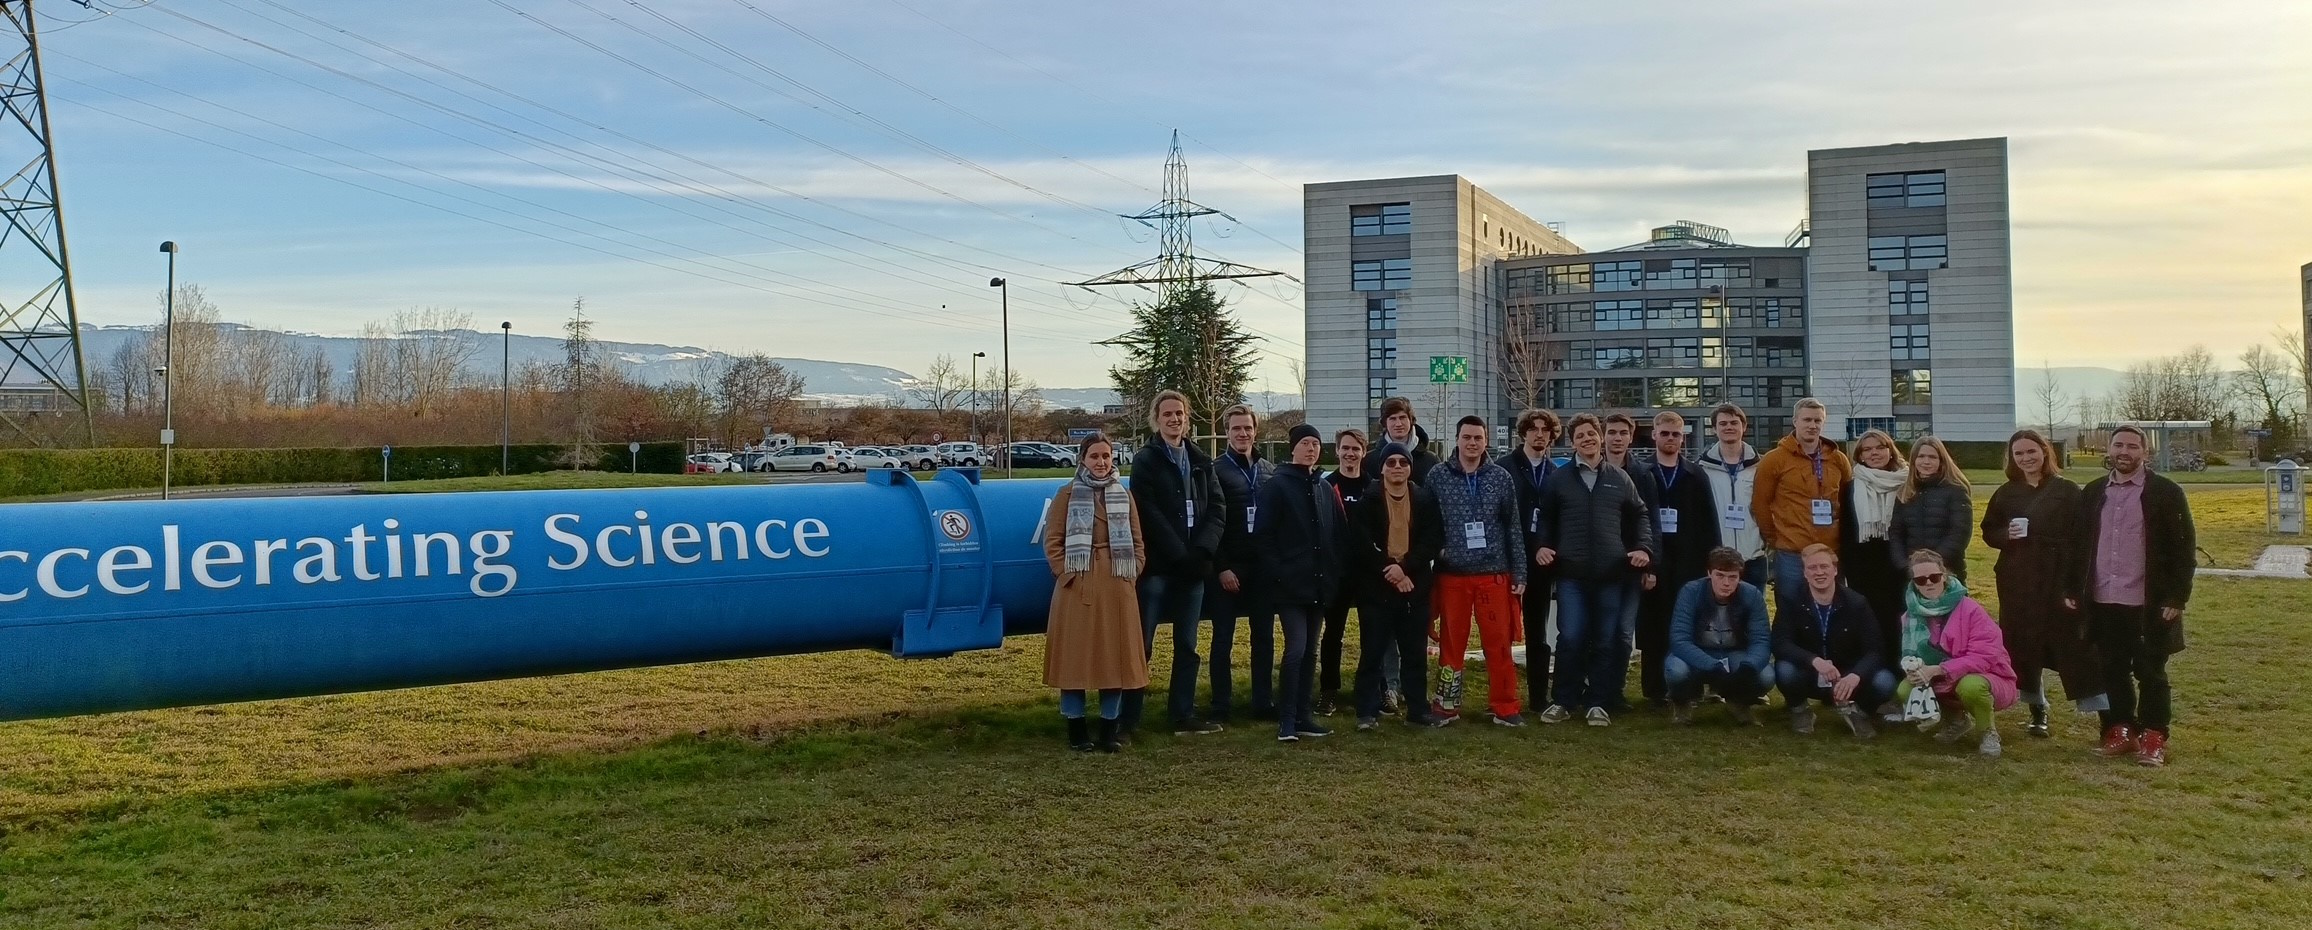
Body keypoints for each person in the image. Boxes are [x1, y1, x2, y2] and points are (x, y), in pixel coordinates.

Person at [2063, 425, 2196, 768]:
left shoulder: (2165, 493)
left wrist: (2176, 598)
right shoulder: (2093, 492)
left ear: (2144, 453)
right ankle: (2120, 730)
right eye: (2118, 445)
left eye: (2132, 446)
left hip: (2148, 602)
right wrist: (2071, 589)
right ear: (2108, 449)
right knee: (2110, 669)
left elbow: (2183, 550)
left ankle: (2153, 736)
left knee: (2151, 671)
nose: (2124, 451)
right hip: (2103, 599)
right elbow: (2077, 546)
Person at [1981, 429, 2105, 739]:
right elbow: (1989, 531)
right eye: (2019, 454)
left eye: (2031, 452)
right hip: (2018, 581)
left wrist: (2074, 586)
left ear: (2045, 452)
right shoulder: (2006, 493)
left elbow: (2083, 540)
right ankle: (2038, 709)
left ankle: (2107, 716)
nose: (2026, 458)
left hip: (2057, 577)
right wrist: (2005, 536)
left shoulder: (2066, 491)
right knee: (2023, 646)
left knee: (2075, 646)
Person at [1532, 413, 1654, 727]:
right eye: (1580, 436)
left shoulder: (1619, 477)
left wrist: (1643, 549)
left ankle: (1598, 702)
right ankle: (1563, 700)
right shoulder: (1558, 478)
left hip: (1611, 573)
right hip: (1571, 574)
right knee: (1570, 638)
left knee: (1605, 639)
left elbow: (1640, 514)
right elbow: (1544, 518)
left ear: (1599, 437)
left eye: (1591, 434)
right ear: (1571, 442)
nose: (1587, 439)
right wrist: (1541, 546)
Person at [1122, 390, 1227, 737]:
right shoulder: (1146, 460)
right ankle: (1127, 719)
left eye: (1179, 413)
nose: (1174, 419)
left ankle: (1182, 714)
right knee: (1143, 644)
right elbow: (1147, 511)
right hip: (1158, 569)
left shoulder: (1200, 459)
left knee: (1188, 644)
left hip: (1193, 569)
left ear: (1187, 418)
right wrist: (1178, 553)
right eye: (1167, 414)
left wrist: (1202, 551)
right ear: (1157, 418)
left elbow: (1217, 509)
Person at [1040, 434, 1149, 752]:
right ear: (1082, 460)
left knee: (1114, 660)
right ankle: (1076, 730)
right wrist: (1067, 574)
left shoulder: (1123, 495)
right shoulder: (1068, 494)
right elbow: (1053, 541)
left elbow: (1138, 539)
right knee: (1075, 661)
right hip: (1079, 587)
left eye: (1106, 456)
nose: (1101, 462)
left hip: (1117, 585)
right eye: (1095, 456)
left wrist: (1133, 571)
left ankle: (1108, 730)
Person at [1425, 415, 1529, 726]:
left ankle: (1505, 707)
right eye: (1467, 437)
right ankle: (1445, 706)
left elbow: (1513, 527)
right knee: (1451, 645)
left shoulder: (1500, 477)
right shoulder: (1437, 476)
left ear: (1486, 441)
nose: (1472, 443)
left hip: (1493, 574)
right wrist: (1438, 550)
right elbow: (1427, 523)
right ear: (1457, 439)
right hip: (1452, 575)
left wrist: (1520, 572)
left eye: (1478, 438)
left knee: (1498, 644)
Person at [1255, 424, 1352, 743]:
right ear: (1292, 447)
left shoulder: (1324, 488)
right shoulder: (1277, 486)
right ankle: (1286, 720)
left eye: (1315, 443)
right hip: (1290, 585)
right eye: (1305, 443)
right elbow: (1264, 536)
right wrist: (1280, 573)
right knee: (1295, 648)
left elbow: (1338, 534)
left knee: (1312, 649)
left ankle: (1303, 715)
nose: (1311, 448)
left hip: (1320, 583)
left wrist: (1334, 573)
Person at [1351, 443, 1447, 729]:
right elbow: (1360, 543)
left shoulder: (1424, 499)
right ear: (1381, 468)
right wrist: (1390, 570)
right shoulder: (1368, 500)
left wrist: (1404, 568)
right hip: (1376, 589)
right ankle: (1366, 712)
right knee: (1372, 653)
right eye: (1390, 462)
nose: (1396, 467)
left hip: (1413, 588)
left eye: (1402, 463)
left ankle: (1418, 710)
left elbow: (1431, 539)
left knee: (1415, 653)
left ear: (1410, 467)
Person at [1635, 411, 1723, 707]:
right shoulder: (1641, 472)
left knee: (1689, 624)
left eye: (1676, 435)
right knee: (1653, 626)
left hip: (1689, 561)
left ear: (1682, 438)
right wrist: (1645, 562)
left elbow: (1710, 521)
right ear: (1654, 435)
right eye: (1665, 433)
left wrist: (1712, 564)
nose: (1670, 439)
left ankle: (1690, 687)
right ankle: (1654, 690)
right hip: (1655, 560)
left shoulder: (1695, 474)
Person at [1894, 549, 2017, 759]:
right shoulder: (1911, 615)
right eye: (1921, 580)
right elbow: (1910, 653)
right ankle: (1956, 720)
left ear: (1944, 575)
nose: (1929, 584)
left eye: (1934, 577)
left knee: (1970, 686)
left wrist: (1939, 669)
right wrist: (1914, 669)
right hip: (1941, 678)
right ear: (1914, 583)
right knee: (1905, 689)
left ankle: (1987, 732)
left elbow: (1985, 656)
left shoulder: (1970, 609)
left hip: (1989, 676)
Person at [1772, 544, 1893, 738]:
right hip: (1810, 673)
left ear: (1835, 570)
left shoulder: (1857, 603)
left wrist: (1855, 676)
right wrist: (1814, 661)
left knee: (1885, 681)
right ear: (1804, 572)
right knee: (1785, 670)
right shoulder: (1792, 600)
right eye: (1812, 567)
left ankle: (1859, 713)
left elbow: (1875, 650)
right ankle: (1799, 710)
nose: (1818, 572)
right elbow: (1780, 643)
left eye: (1824, 566)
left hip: (1846, 676)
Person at [1207, 404, 1277, 721]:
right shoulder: (1215, 470)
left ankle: (1262, 702)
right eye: (1236, 428)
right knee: (1223, 638)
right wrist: (1221, 567)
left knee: (1263, 637)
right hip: (1228, 567)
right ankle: (1221, 704)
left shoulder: (1268, 470)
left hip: (1261, 568)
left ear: (1255, 430)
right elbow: (1209, 522)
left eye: (1247, 428)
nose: (1242, 434)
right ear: (1227, 432)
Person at [1753, 398, 1852, 601]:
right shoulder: (1774, 459)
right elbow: (1760, 503)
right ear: (1795, 421)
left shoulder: (1838, 459)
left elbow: (1848, 502)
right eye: (1807, 420)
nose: (1812, 425)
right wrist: (1776, 538)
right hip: (1792, 553)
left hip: (1830, 551)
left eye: (1817, 421)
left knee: (1832, 609)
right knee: (1791, 611)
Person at [1664, 547, 1774, 725]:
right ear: (1709, 573)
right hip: (1698, 651)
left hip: (1735, 653)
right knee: (1676, 670)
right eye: (1720, 575)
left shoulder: (1752, 595)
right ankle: (1682, 702)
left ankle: (1739, 702)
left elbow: (1761, 640)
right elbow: (1679, 640)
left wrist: (1749, 666)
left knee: (1766, 676)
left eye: (1733, 577)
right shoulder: (1691, 592)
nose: (1726, 583)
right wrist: (1711, 665)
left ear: (1740, 577)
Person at [1499, 409, 1562, 718]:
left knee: (1537, 632)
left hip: (1541, 562)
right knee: (1500, 631)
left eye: (1545, 430)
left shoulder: (1557, 473)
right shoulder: (1503, 469)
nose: (1539, 434)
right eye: (1533, 429)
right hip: (1507, 560)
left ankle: (1539, 696)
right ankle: (1500, 696)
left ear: (1551, 435)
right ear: (1523, 433)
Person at [1602, 411, 1659, 713]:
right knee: (1600, 631)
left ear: (1631, 436)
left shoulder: (1642, 474)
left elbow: (1651, 521)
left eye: (1623, 432)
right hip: (1598, 566)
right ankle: (1596, 688)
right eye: (1612, 432)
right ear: (1604, 435)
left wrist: (1650, 564)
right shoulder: (1591, 470)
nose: (1617, 438)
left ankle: (1615, 691)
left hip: (1632, 567)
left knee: (1624, 633)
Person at [1316, 429, 1375, 717]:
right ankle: (1329, 691)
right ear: (1336, 451)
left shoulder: (1373, 486)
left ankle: (1370, 690)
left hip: (1368, 574)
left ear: (1364, 453)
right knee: (1333, 635)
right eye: (1345, 448)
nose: (1350, 454)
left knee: (1372, 634)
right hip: (1336, 573)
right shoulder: (1326, 485)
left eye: (1356, 449)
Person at [1839, 429, 1909, 658]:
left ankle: (1898, 669)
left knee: (1900, 620)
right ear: (1859, 456)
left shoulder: (1907, 484)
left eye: (1880, 447)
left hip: (1898, 563)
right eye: (1867, 449)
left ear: (1890, 451)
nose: (1874, 453)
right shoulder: (1850, 488)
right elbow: (1846, 532)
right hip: (1863, 568)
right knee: (1869, 621)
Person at [1887, 435, 1974, 582]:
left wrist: (1933, 564)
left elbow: (1959, 533)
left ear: (1941, 461)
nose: (1926, 461)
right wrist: (1903, 565)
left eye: (1932, 457)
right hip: (1912, 573)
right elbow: (1896, 532)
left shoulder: (1956, 491)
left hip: (1947, 571)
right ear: (1914, 460)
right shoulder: (1905, 492)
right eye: (1921, 456)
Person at [1699, 403, 1768, 589]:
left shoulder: (1762, 467)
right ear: (1714, 429)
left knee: (1752, 616)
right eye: (1722, 424)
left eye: (1734, 423)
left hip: (1752, 557)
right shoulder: (1701, 469)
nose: (1728, 427)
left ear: (1744, 427)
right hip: (1718, 560)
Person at [1362, 396, 1442, 486]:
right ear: (1384, 422)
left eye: (1402, 417)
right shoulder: (1368, 459)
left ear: (1411, 420)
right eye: (1392, 418)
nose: (1398, 424)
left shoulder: (1431, 460)